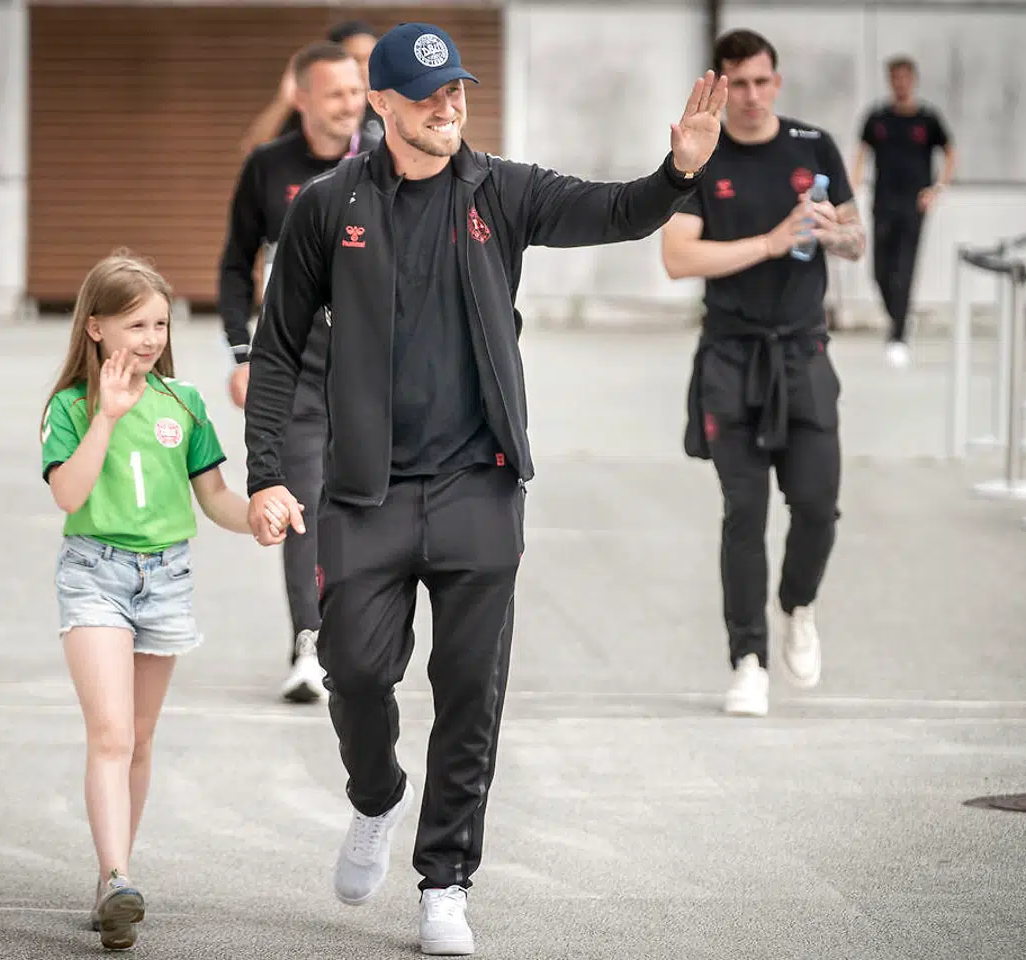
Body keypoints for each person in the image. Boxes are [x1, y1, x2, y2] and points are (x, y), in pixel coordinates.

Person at [242, 21, 726, 956]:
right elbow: (276, 351)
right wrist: (266, 475)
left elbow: (615, 210)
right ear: (381, 104)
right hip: (365, 494)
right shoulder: (325, 205)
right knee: (351, 670)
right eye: (427, 95)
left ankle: (445, 882)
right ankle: (376, 799)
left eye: (457, 90)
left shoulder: (500, 189)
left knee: (470, 692)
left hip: (480, 484)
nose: (448, 106)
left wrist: (676, 174)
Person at [40, 251, 288, 951]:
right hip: (95, 573)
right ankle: (117, 877)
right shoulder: (70, 407)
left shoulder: (185, 403)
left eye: (159, 323)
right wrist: (108, 418)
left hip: (167, 579)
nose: (150, 338)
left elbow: (213, 499)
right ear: (95, 329)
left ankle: (111, 878)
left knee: (141, 739)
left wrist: (257, 517)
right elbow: (69, 494)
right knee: (111, 733)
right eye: (134, 324)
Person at [661, 29, 865, 719]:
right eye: (736, 83)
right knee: (743, 515)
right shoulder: (699, 152)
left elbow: (856, 238)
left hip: (803, 355)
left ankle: (796, 606)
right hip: (730, 357)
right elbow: (679, 259)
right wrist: (772, 241)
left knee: (816, 506)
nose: (749, 96)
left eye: (761, 81)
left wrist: (827, 231)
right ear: (719, 84)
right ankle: (747, 660)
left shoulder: (813, 144)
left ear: (776, 81)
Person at [219, 40, 378, 703]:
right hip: (296, 360)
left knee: (376, 503)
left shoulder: (384, 160)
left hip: (373, 363)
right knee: (300, 501)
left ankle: (362, 638)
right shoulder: (268, 166)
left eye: (355, 91)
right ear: (302, 98)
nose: (349, 105)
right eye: (335, 93)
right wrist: (241, 352)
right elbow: (235, 264)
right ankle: (308, 643)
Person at [850, 55, 955, 367]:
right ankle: (899, 318)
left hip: (913, 204)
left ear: (913, 80)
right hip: (883, 202)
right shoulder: (878, 118)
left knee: (905, 268)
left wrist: (937, 188)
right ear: (890, 81)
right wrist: (852, 189)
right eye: (895, 78)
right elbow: (861, 153)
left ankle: (898, 335)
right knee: (880, 271)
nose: (901, 83)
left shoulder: (928, 119)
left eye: (905, 77)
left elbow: (950, 152)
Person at [238, 20, 383, 156]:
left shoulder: (389, 106)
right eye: (356, 59)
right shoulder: (313, 109)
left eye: (370, 58)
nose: (365, 67)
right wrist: (284, 100)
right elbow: (255, 150)